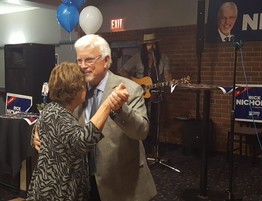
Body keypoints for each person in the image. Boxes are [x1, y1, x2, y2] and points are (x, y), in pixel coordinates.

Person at [34, 34, 157, 201]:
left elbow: (141, 132)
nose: (83, 66)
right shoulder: (75, 88)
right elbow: (56, 117)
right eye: (79, 60)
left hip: (122, 186)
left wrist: (120, 109)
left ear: (106, 60)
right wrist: (37, 133)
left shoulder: (130, 89)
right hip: (83, 185)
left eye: (89, 60)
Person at [27, 62, 129, 200]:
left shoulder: (52, 109)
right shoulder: (58, 114)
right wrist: (108, 102)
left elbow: (44, 130)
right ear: (76, 89)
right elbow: (83, 141)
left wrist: (35, 134)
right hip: (58, 193)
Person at [119, 33, 172, 155]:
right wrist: (133, 84)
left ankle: (155, 148)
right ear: (144, 46)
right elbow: (123, 70)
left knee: (156, 120)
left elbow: (167, 74)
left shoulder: (163, 58)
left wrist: (171, 80)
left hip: (157, 93)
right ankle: (142, 147)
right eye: (148, 44)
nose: (151, 46)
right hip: (140, 94)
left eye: (153, 43)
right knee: (141, 119)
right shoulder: (138, 57)